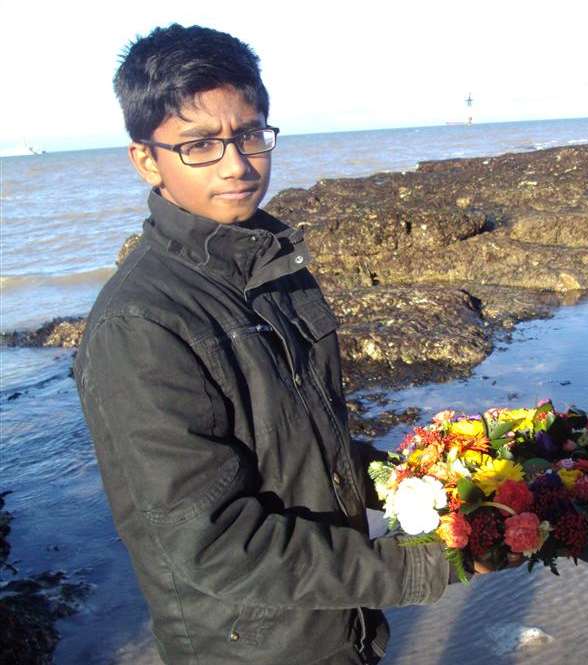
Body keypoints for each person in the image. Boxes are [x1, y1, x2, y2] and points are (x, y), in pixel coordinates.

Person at [74, 24, 476, 665]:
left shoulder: (276, 271)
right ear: (146, 159)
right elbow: (209, 544)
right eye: (199, 144)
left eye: (250, 134)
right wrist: (417, 569)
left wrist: (419, 477)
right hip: (253, 647)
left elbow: (311, 441)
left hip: (339, 624)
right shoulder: (141, 327)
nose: (236, 164)